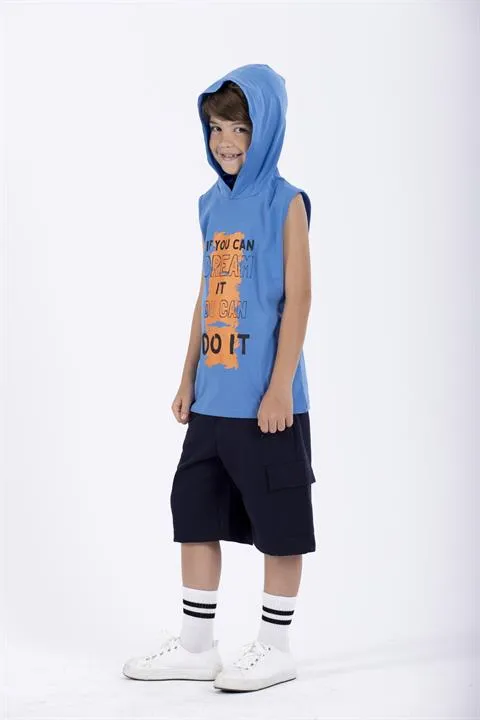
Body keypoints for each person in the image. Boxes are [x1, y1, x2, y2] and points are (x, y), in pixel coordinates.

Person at [123, 63, 317, 693]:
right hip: (213, 398)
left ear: (267, 130)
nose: (226, 141)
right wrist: (187, 378)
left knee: (279, 521)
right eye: (216, 128)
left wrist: (280, 386)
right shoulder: (210, 205)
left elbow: (299, 298)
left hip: (267, 402)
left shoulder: (286, 202)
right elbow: (207, 296)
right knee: (195, 512)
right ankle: (196, 646)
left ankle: (275, 648)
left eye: (240, 128)